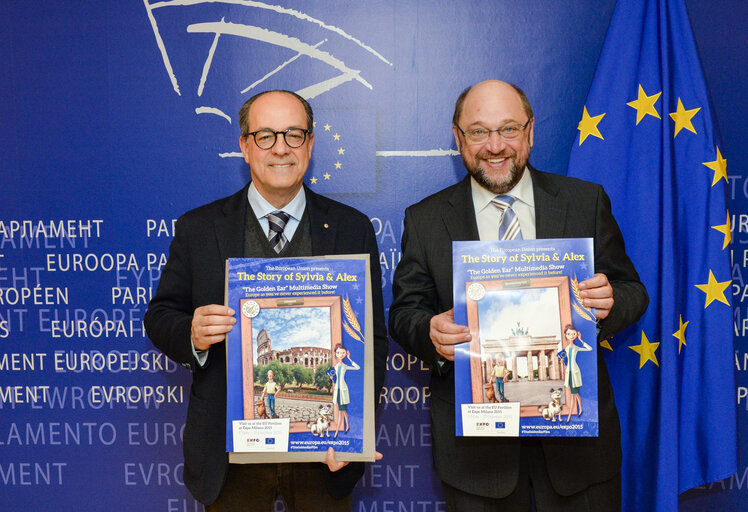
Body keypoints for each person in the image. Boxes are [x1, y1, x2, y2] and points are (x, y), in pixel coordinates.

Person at [388, 80, 648, 512]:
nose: (495, 146)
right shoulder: (426, 218)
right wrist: (429, 333)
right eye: (478, 132)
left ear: (530, 132)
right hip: (476, 462)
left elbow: (632, 290)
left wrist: (611, 303)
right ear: (458, 137)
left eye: (508, 129)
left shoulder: (584, 201)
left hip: (579, 460)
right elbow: (405, 313)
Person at [144, 89, 388, 511]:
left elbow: (374, 342)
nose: (280, 148)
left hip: (323, 454)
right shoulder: (198, 228)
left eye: (294, 134)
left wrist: (355, 432)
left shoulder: (352, 228)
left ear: (310, 144)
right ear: (244, 145)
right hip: (229, 454)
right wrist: (193, 333)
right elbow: (160, 316)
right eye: (265, 136)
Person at [557, 324, 592, 422]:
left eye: (573, 333)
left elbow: (590, 349)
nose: (571, 335)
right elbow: (565, 362)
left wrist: (581, 340)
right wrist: (563, 361)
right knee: (576, 394)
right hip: (569, 373)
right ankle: (580, 409)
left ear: (576, 334)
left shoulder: (576, 347)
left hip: (575, 373)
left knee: (574, 394)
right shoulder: (566, 349)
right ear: (566, 336)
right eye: (569, 334)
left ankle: (569, 416)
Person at [330, 343, 360, 438]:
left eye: (343, 353)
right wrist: (332, 378)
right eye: (339, 352)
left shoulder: (345, 366)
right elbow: (335, 379)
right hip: (337, 390)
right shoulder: (334, 367)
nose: (341, 354)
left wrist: (350, 359)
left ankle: (337, 431)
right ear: (335, 354)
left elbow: (357, 368)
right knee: (343, 411)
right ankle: (347, 426)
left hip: (343, 390)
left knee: (340, 411)